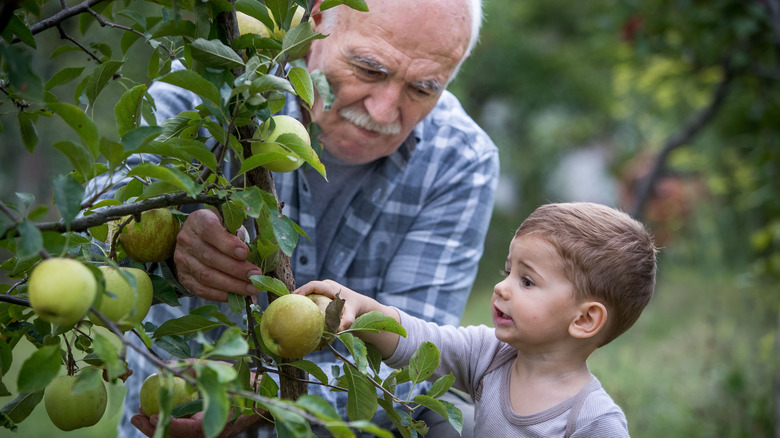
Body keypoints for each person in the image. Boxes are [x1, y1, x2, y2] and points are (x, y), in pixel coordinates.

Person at [117, 0, 499, 437]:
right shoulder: (215, 89)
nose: (383, 111)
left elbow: (414, 367)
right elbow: (96, 215)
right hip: (171, 414)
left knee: (471, 424)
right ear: (318, 22)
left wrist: (257, 396)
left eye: (424, 89)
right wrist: (168, 238)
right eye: (369, 69)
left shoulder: (460, 158)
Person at [296, 202, 658, 437]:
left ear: (584, 320)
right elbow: (419, 340)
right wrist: (359, 306)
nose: (502, 288)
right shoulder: (491, 354)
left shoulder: (593, 421)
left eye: (527, 281)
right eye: (507, 271)